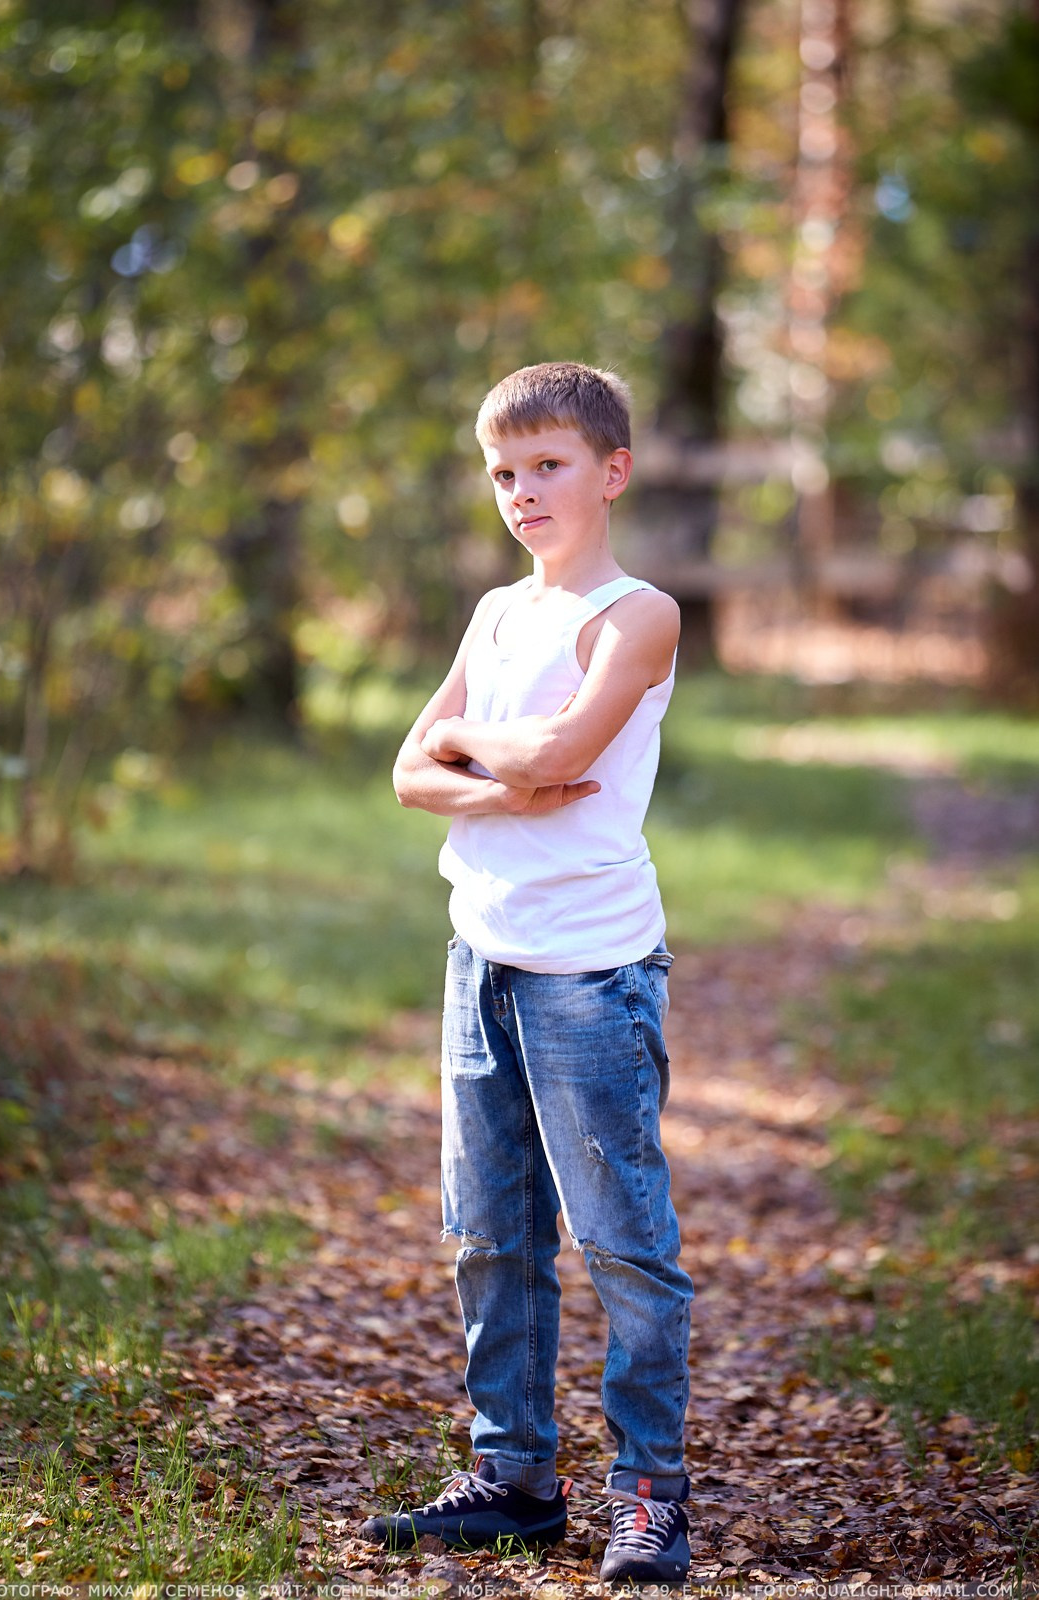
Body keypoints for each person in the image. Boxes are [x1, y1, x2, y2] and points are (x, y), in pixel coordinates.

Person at [361, 361, 693, 1585]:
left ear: (610, 470)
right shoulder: (497, 614)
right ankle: (513, 1480)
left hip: (589, 977)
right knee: (489, 1238)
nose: (520, 491)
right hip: (480, 961)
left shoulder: (636, 614)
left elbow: (566, 748)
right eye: (502, 472)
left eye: (546, 465)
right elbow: (409, 769)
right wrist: (506, 775)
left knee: (621, 1246)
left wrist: (482, 750)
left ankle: (650, 1495)